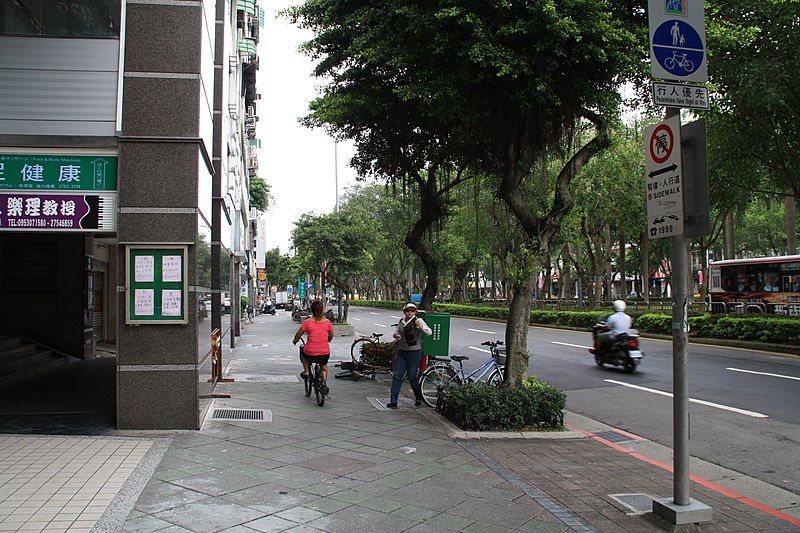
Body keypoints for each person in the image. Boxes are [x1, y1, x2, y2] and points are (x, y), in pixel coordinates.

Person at [387, 302, 432, 409]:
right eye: (407, 310)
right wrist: (395, 335)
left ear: (415, 312)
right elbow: (397, 333)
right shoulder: (401, 321)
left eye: (412, 310)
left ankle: (418, 397)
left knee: (412, 377)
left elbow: (429, 332)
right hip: (402, 351)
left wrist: (421, 327)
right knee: (398, 376)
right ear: (404, 311)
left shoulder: (418, 320)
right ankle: (393, 401)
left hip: (414, 352)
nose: (409, 313)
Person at [292, 300, 334, 392]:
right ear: (322, 310)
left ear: (312, 310)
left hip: (310, 352)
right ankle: (323, 384)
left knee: (302, 349)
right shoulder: (328, 322)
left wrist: (295, 341)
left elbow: (298, 335)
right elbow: (331, 335)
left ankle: (306, 371)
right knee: (324, 366)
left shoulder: (307, 322)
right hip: (324, 352)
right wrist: (327, 341)